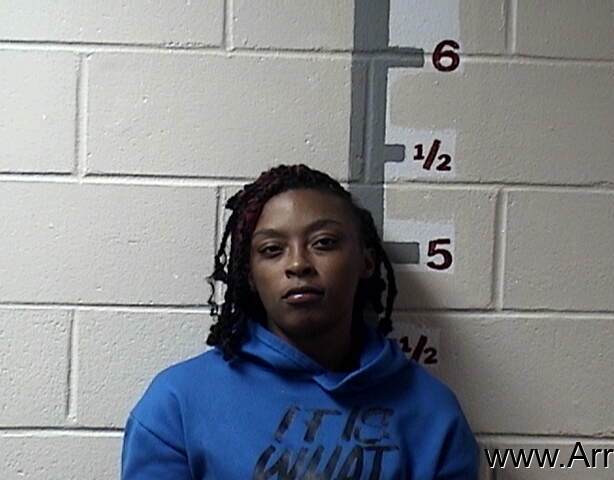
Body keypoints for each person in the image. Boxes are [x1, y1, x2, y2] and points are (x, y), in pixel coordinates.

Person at [121, 164, 479, 479]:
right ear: (249, 274)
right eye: (272, 250)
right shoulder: (177, 404)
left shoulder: (433, 412)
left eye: (323, 243)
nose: (298, 264)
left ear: (366, 261)